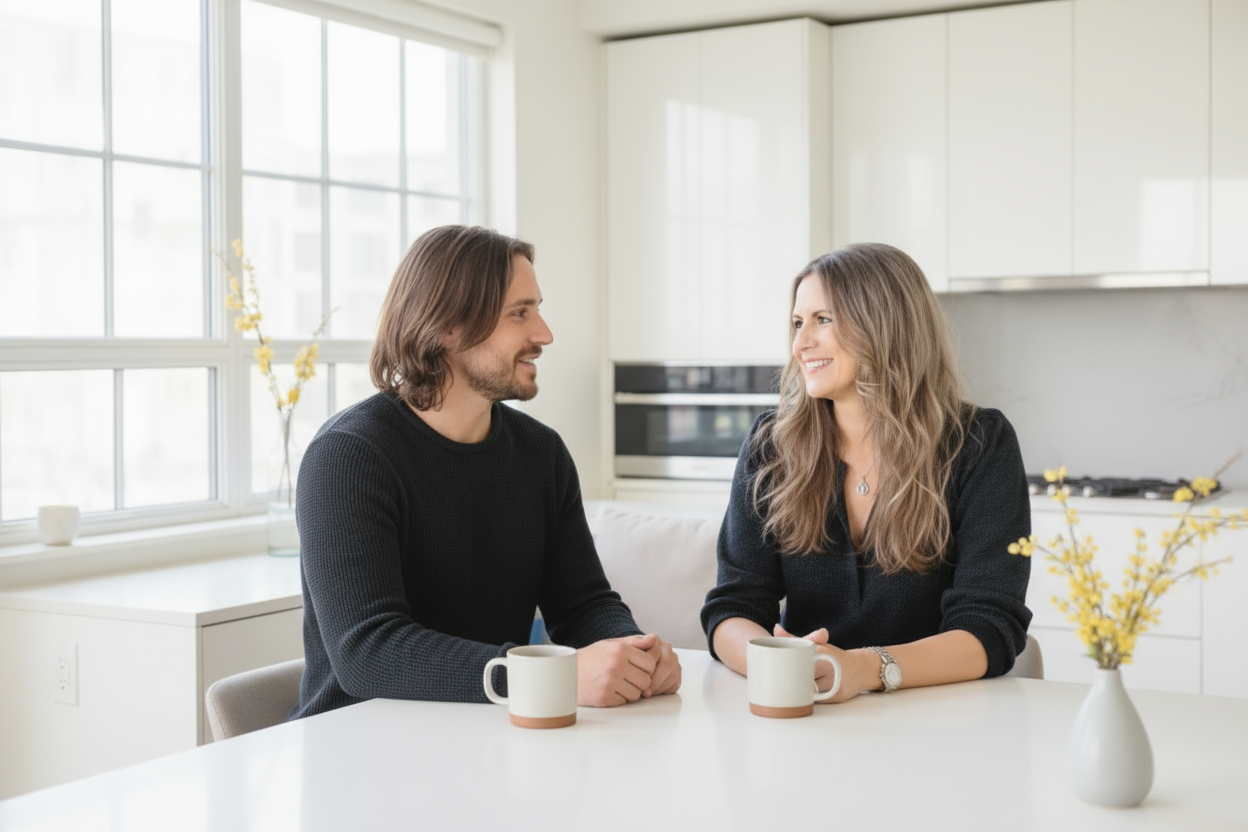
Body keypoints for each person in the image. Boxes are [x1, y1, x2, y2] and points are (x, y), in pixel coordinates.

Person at [290, 224, 680, 720]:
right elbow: (368, 653)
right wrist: (549, 677)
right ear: (447, 327)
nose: (544, 334)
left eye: (537, 309)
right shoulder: (348, 458)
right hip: (360, 748)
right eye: (520, 313)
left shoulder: (541, 453)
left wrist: (634, 652)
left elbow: (582, 604)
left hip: (485, 737)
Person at [700, 242, 1031, 701]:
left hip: (938, 714)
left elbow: (990, 626)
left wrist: (862, 669)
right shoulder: (771, 443)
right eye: (798, 323)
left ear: (885, 324)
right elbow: (733, 606)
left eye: (823, 319)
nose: (800, 344)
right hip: (806, 710)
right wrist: (784, 665)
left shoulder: (979, 443)